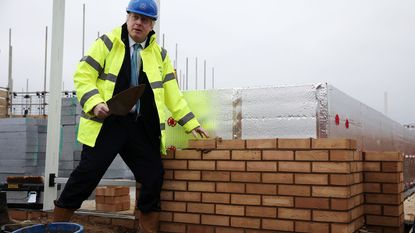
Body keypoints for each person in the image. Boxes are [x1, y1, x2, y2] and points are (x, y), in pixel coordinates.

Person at [52, 0, 209, 232]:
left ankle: (148, 229)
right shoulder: (107, 43)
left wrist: (191, 123)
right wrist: (95, 102)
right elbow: (83, 75)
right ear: (127, 17)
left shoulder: (161, 55)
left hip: (138, 126)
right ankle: (57, 226)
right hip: (107, 123)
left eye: (145, 20)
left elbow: (173, 95)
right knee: (87, 174)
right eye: (135, 17)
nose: (138, 23)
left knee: (153, 175)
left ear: (152, 24)